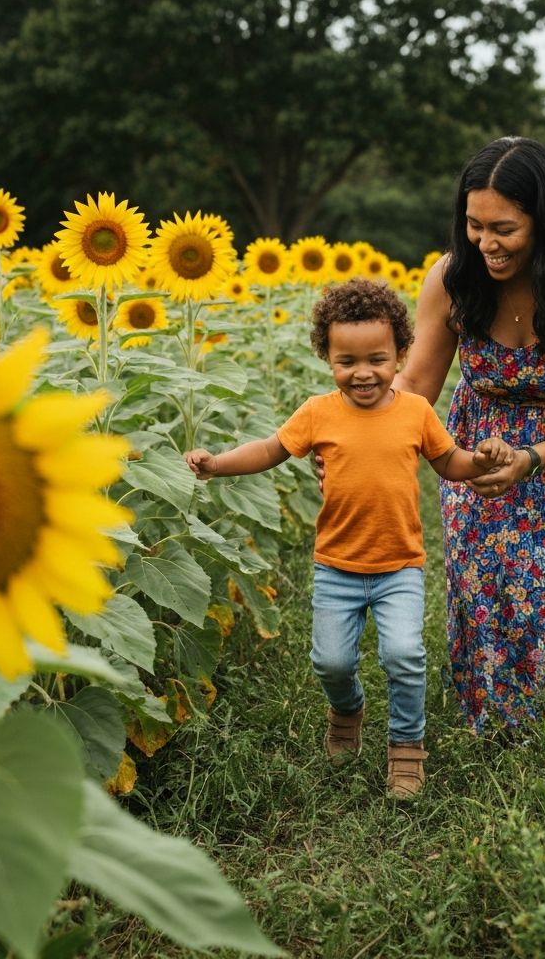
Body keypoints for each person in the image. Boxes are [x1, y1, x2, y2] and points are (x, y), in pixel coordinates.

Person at [184, 279, 514, 797]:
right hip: (337, 565)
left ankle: (406, 748)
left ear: (401, 354)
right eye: (347, 361)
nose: (363, 373)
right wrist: (217, 464)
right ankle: (347, 709)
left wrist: (483, 460)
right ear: (327, 357)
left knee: (404, 654)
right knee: (331, 662)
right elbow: (271, 449)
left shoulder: (416, 412)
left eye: (378, 359)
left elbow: (450, 463)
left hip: (399, 565)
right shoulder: (318, 413)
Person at [394, 135, 545, 732]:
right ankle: (496, 718)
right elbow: (416, 384)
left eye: (503, 228)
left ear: (543, 218)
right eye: (474, 226)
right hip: (480, 460)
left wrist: (532, 457)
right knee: (489, 588)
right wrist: (356, 436)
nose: (486, 244)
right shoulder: (453, 278)